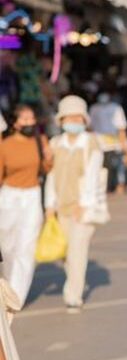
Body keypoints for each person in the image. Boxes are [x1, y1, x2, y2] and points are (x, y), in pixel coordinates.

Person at [44, 95, 104, 313]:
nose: (73, 121)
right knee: (66, 253)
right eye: (69, 117)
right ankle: (74, 284)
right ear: (61, 120)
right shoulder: (55, 144)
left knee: (77, 251)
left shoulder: (91, 143)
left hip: (83, 209)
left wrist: (84, 203)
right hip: (61, 208)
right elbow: (51, 177)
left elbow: (93, 176)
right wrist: (49, 204)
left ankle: (73, 296)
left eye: (77, 117)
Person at [0, 105, 52, 306]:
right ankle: (6, 289)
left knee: (27, 247)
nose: (29, 123)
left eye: (32, 119)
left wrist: (49, 158)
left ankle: (18, 295)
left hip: (32, 195)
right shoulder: (5, 145)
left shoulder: (40, 142)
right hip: (9, 197)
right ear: (15, 122)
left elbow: (47, 169)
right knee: (7, 246)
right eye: (25, 119)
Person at [89, 90, 127, 194]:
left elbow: (121, 128)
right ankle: (107, 187)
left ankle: (117, 185)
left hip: (111, 142)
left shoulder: (114, 108)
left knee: (114, 165)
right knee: (103, 166)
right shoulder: (98, 108)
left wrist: (123, 143)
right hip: (100, 142)